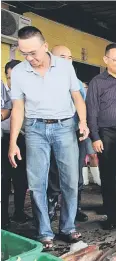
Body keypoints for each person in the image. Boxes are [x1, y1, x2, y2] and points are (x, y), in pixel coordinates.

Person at [8, 26, 89, 249]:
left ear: (45, 46)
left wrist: (82, 122)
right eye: (24, 53)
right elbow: (18, 108)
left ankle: (67, 228)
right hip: (35, 130)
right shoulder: (19, 73)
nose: (30, 58)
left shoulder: (64, 67)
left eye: (33, 52)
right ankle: (44, 231)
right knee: (37, 184)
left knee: (70, 181)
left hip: (64, 127)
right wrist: (14, 141)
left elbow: (77, 97)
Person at [86, 43, 116, 230]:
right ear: (106, 60)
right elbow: (92, 112)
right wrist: (95, 137)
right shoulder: (97, 82)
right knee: (107, 177)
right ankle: (111, 215)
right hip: (106, 135)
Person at [46, 45, 90, 223]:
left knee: (76, 174)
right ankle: (51, 209)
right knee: (54, 174)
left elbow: (83, 109)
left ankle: (75, 208)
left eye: (70, 57)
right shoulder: (45, 81)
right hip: (53, 136)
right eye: (62, 57)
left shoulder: (78, 83)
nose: (67, 61)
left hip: (75, 135)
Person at [2, 60, 30, 228]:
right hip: (4, 140)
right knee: (4, 179)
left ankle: (19, 211)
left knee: (21, 179)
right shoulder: (4, 95)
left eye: (15, 77)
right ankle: (3, 217)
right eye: (8, 77)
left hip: (24, 140)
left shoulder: (29, 97)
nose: (11, 81)